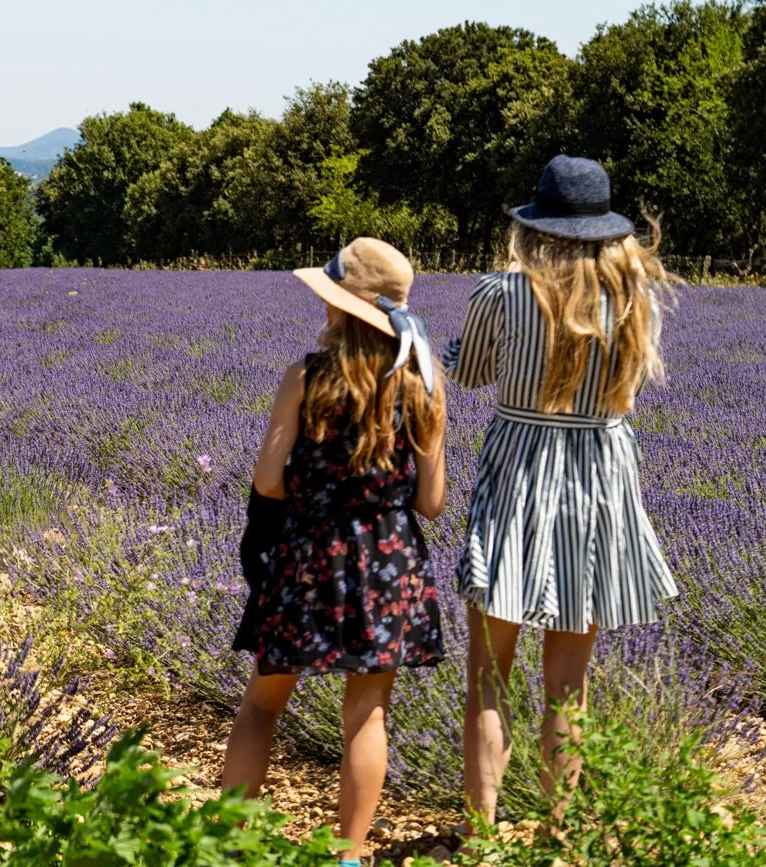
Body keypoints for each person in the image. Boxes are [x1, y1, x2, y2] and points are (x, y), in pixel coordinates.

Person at [442, 155, 677, 831]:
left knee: (488, 674)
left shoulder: (501, 292)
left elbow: (475, 373)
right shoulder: (635, 300)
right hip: (599, 477)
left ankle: (480, 832)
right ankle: (559, 828)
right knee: (568, 683)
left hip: (519, 472)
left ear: (535, 227)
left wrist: (443, 352)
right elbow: (626, 391)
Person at [223, 238, 448, 867]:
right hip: (389, 559)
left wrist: (315, 485)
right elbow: (431, 501)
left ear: (339, 310)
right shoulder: (423, 385)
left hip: (310, 556)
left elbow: (269, 481)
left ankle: (228, 843)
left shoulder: (306, 377)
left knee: (263, 704)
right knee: (367, 714)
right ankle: (348, 858)